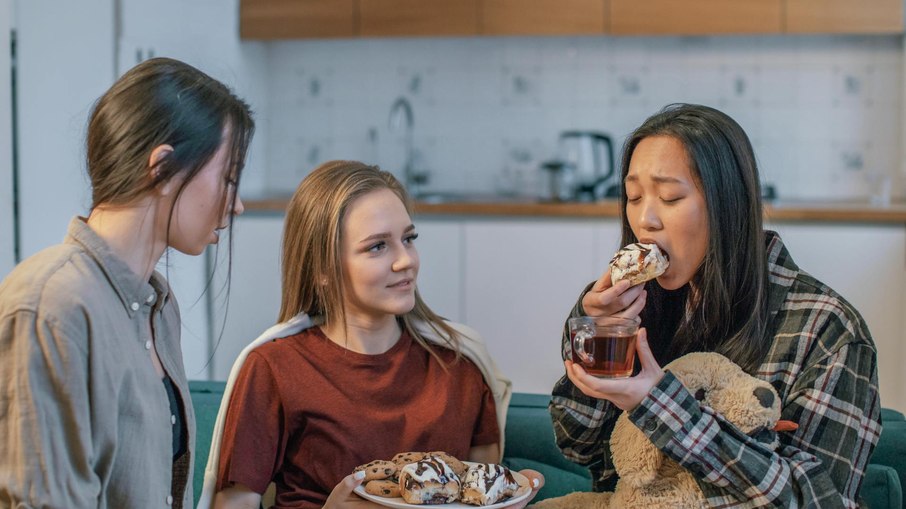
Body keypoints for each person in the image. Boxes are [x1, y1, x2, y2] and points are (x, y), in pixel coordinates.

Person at [550, 104, 881, 507]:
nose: (644, 220)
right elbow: (578, 447)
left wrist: (658, 404)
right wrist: (598, 338)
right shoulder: (618, 310)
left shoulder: (827, 331)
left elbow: (819, 500)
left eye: (669, 196)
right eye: (633, 197)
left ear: (729, 203)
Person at [200, 161, 542, 509]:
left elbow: (482, 491)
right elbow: (234, 503)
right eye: (378, 246)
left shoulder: (459, 362)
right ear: (323, 269)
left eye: (408, 238)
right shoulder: (274, 368)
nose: (405, 260)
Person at [0, 57, 254, 508]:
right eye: (229, 179)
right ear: (161, 168)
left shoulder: (158, 304)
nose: (237, 205)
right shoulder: (53, 304)